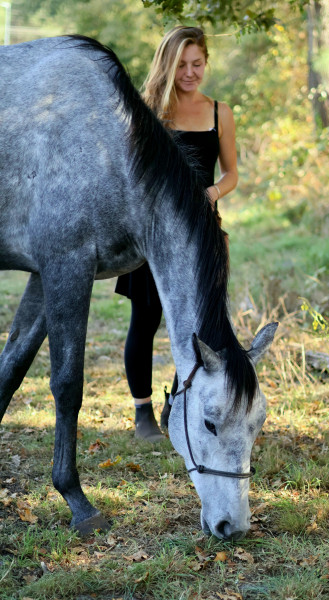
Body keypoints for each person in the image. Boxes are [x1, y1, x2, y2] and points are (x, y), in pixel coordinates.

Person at [115, 26, 238, 442]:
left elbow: (232, 173)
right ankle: (142, 413)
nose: (189, 72)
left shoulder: (220, 112)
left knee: (196, 326)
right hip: (155, 238)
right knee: (145, 322)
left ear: (206, 63)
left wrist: (211, 192)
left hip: (201, 236)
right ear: (168, 64)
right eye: (181, 64)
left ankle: (176, 399)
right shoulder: (149, 110)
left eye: (197, 63)